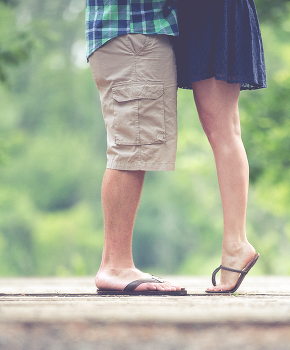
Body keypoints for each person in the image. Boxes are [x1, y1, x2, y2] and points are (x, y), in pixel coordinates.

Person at [86, 0, 186, 295]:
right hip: (134, 37)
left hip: (132, 37)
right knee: (131, 149)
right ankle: (115, 266)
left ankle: (115, 263)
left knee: (133, 149)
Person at [174, 0, 265, 294]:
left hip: (211, 13)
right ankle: (235, 244)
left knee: (222, 129)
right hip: (214, 13)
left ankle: (236, 245)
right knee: (226, 128)